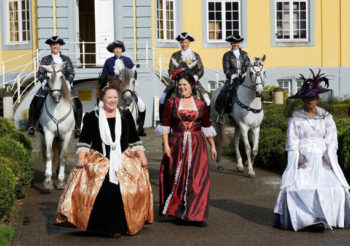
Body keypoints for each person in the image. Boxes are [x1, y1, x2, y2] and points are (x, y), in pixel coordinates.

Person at [55, 78, 152, 237]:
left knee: (127, 190)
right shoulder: (92, 117)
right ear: (102, 99)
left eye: (115, 97)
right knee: (102, 188)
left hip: (123, 159)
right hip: (99, 160)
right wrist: (81, 157)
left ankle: (122, 226)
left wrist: (142, 156)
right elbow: (84, 141)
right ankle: (101, 227)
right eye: (109, 97)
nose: (113, 100)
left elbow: (134, 139)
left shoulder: (126, 115)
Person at [273, 70, 350, 232]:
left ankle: (326, 217)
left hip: (323, 158)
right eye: (307, 97)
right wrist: (299, 158)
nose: (310, 100)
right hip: (303, 158)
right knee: (297, 188)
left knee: (334, 187)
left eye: (313, 97)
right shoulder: (296, 116)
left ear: (317, 98)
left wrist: (329, 156)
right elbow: (292, 141)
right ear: (302, 99)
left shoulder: (326, 116)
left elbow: (332, 139)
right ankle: (307, 219)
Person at [156, 69, 217, 226]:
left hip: (197, 145)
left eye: (185, 85)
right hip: (176, 143)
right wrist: (165, 145)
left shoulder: (201, 104)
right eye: (180, 84)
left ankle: (195, 214)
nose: (182, 87)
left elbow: (206, 125)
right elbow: (164, 125)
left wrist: (213, 146)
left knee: (197, 179)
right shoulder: (172, 103)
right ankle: (178, 212)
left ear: (192, 86)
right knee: (177, 177)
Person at [27, 36, 83, 138]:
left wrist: (67, 82)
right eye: (53, 45)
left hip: (64, 88)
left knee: (78, 105)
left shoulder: (66, 59)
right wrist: (44, 81)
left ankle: (77, 128)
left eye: (56, 44)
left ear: (59, 46)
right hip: (48, 87)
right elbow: (40, 73)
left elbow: (71, 73)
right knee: (35, 103)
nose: (55, 46)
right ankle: (32, 126)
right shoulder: (45, 59)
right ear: (50, 46)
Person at [101, 40, 147, 136]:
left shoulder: (128, 60)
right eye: (115, 49)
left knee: (142, 106)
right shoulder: (108, 62)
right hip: (113, 89)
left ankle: (141, 127)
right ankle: (101, 126)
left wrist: (132, 83)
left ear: (122, 50)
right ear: (113, 51)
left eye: (119, 48)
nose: (117, 50)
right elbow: (104, 75)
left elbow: (134, 73)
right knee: (100, 104)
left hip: (128, 89)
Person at [160, 32, 210, 110]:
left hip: (193, 82)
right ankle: (163, 120)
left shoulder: (195, 56)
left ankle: (207, 120)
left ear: (189, 42)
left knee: (207, 100)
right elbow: (171, 70)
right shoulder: (175, 55)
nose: (184, 44)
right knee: (162, 98)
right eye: (182, 42)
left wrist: (194, 77)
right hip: (177, 82)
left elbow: (200, 70)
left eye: (185, 42)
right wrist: (172, 76)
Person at [215, 34, 250, 123]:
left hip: (243, 79)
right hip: (232, 80)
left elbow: (248, 66)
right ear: (231, 43)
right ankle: (222, 113)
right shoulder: (227, 55)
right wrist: (232, 75)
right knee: (225, 93)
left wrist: (245, 74)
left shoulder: (244, 54)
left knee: (255, 90)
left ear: (239, 43)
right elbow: (226, 69)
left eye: (237, 42)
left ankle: (258, 113)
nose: (235, 44)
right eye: (234, 42)